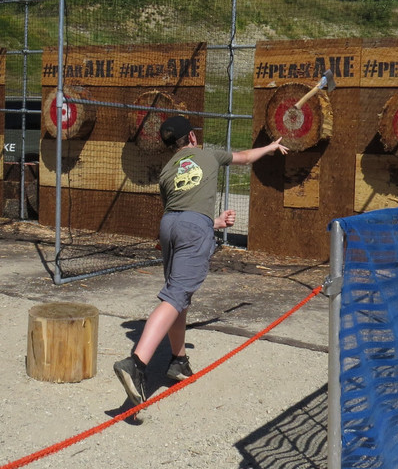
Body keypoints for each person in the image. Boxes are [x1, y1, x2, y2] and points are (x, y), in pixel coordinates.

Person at [113, 115, 289, 407]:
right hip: (192, 227)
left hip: (170, 225)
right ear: (192, 137)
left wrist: (214, 222)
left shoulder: (167, 170)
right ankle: (137, 364)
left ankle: (177, 360)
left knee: (178, 295)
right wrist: (269, 148)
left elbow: (179, 210)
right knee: (175, 296)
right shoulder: (208, 154)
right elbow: (245, 157)